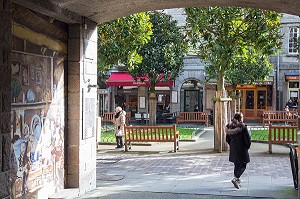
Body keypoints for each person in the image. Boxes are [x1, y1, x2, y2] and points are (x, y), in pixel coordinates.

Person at [225, 112, 251, 189]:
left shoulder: (229, 127)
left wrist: (232, 145)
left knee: (236, 164)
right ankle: (236, 178)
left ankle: (237, 181)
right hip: (242, 148)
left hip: (233, 147)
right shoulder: (243, 127)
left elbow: (227, 139)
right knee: (243, 164)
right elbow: (247, 139)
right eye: (242, 117)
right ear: (240, 119)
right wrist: (247, 146)